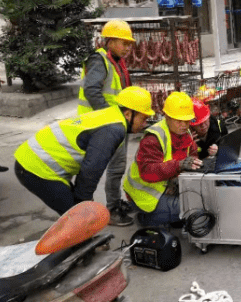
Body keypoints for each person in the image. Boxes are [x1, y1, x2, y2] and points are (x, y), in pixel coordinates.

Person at [13, 87, 154, 216]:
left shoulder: (113, 114)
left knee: (76, 214)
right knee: (76, 218)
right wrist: (84, 202)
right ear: (128, 114)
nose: (145, 124)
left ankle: (79, 239)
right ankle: (77, 242)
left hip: (34, 160)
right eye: (143, 118)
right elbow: (92, 168)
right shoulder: (114, 129)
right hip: (34, 167)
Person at [78, 18, 136, 226]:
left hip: (114, 122)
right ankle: (109, 210)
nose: (128, 47)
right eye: (123, 42)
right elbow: (91, 90)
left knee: (117, 167)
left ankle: (113, 203)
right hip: (102, 124)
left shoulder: (116, 61)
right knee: (105, 168)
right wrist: (110, 118)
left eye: (129, 43)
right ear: (110, 41)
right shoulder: (99, 60)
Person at [123, 91, 201, 227]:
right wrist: (179, 166)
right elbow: (148, 172)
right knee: (190, 207)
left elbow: (192, 156)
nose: (184, 125)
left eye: (187, 120)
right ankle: (146, 218)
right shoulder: (153, 138)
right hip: (144, 195)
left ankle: (167, 216)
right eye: (179, 120)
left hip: (167, 188)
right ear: (167, 117)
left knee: (199, 199)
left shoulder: (185, 133)